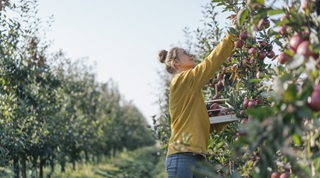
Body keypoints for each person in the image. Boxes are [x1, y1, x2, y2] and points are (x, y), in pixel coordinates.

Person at [157, 25, 236, 177]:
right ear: (175, 62)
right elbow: (210, 64)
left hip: (196, 158)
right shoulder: (182, 80)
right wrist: (231, 36)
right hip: (182, 157)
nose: (191, 54)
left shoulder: (191, 89)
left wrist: (228, 117)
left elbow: (203, 125)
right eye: (185, 53)